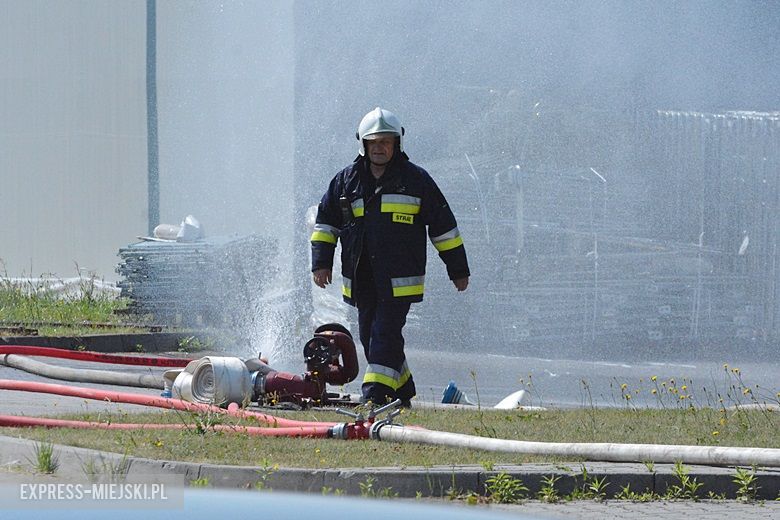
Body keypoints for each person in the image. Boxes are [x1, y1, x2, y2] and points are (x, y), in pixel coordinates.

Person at [310, 107, 470, 407]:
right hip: (362, 280)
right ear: (363, 144)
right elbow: (326, 224)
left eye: (386, 141)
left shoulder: (416, 181)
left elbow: (445, 229)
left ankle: (376, 397)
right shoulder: (346, 182)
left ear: (397, 143)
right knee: (371, 339)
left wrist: (458, 270)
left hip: (399, 282)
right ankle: (404, 390)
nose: (380, 147)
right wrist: (321, 263)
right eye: (374, 142)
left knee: (384, 334)